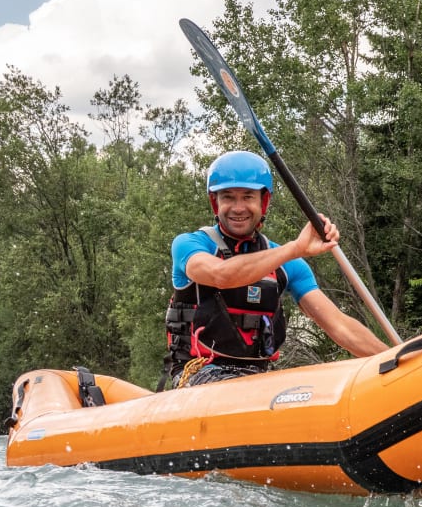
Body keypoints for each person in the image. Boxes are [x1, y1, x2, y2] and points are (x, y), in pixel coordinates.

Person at [163, 150, 389, 387]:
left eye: (248, 197)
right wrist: (295, 248)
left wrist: (396, 359)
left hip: (257, 377)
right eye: (228, 197)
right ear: (215, 202)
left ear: (264, 202)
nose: (238, 208)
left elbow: (341, 326)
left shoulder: (289, 263)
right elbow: (222, 275)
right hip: (197, 374)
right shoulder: (191, 244)